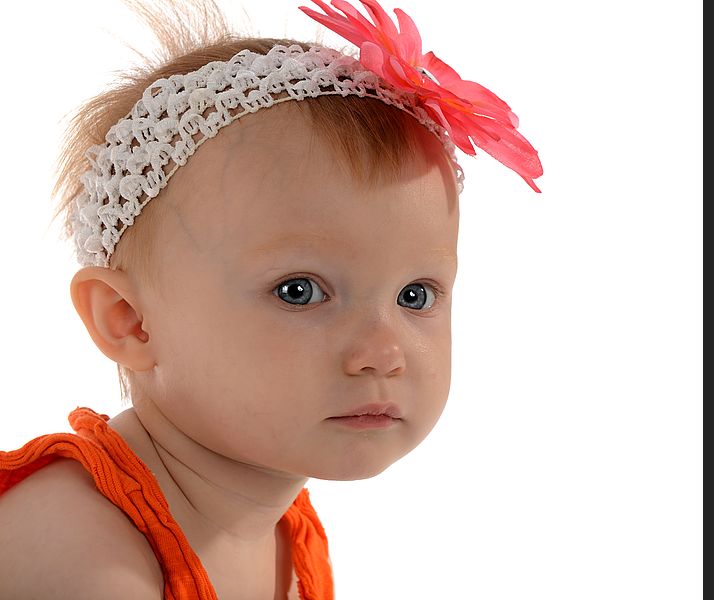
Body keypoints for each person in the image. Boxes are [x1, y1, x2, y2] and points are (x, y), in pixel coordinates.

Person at [0, 0, 542, 597]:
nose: (383, 352)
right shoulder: (76, 547)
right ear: (130, 321)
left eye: (415, 295)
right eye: (300, 291)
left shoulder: (284, 531)